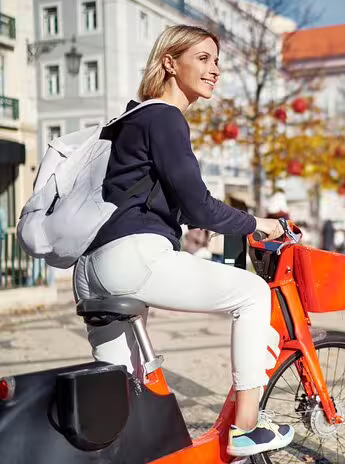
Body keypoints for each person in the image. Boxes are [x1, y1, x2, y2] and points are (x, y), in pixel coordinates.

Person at [72, 25, 293, 458]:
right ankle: (247, 429)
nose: (216, 70)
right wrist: (258, 224)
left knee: (122, 394)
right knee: (251, 292)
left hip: (90, 268)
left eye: (217, 61)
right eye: (204, 59)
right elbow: (200, 207)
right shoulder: (164, 117)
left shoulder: (133, 118)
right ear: (170, 62)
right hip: (131, 257)